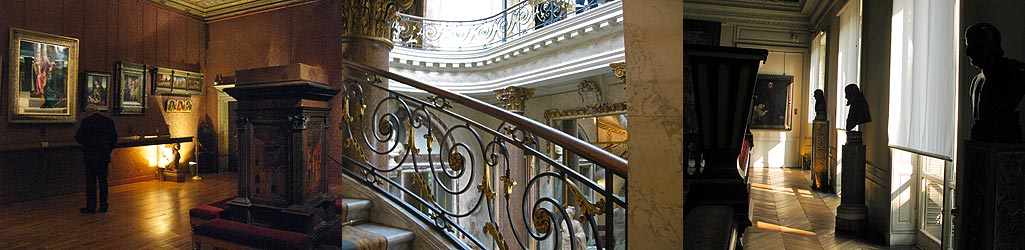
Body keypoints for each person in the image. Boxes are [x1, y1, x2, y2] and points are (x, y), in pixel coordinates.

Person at [966, 23, 1025, 142]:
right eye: (967, 45)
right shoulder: (977, 81)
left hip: (1002, 138)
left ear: (989, 46)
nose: (967, 52)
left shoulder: (1015, 73)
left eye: (973, 46)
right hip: (981, 141)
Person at [75, 107, 118, 214]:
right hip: (104, 156)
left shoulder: (86, 122)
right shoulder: (108, 121)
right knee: (103, 182)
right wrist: (108, 149)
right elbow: (114, 139)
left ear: (88, 112)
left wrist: (87, 144)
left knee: (91, 182)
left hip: (90, 156)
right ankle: (104, 206)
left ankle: (91, 207)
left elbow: (78, 138)